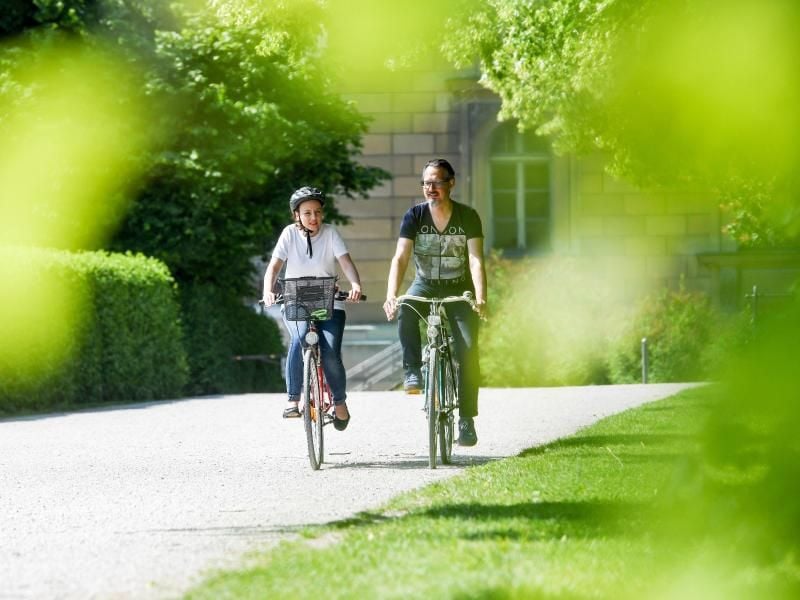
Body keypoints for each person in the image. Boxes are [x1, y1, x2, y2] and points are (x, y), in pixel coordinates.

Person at [383, 158, 487, 447]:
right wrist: (392, 295)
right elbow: (401, 257)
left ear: (450, 183)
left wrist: (481, 298)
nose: (431, 188)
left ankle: (466, 419)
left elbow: (476, 260)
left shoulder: (467, 216)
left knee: (468, 351)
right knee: (405, 309)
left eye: (437, 182)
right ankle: (412, 371)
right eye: (426, 183)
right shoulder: (414, 216)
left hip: (459, 288)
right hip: (425, 284)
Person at [262, 186, 363, 430]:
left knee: (329, 351)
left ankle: (339, 403)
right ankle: (293, 400)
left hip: (330, 303)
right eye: (307, 213)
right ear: (296, 214)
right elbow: (274, 267)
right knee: (298, 340)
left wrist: (355, 284)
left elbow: (345, 263)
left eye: (318, 212)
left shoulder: (330, 233)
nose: (314, 218)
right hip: (296, 300)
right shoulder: (288, 234)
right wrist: (268, 290)